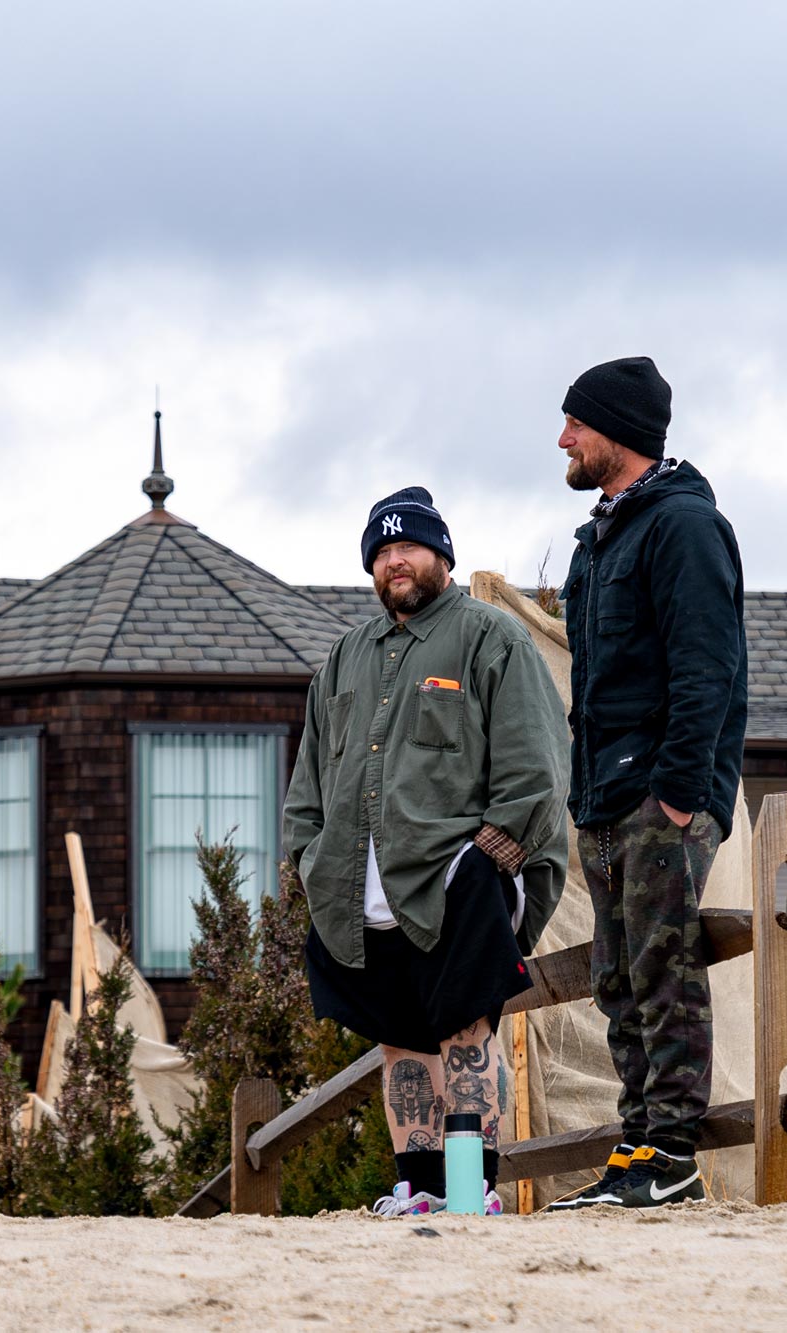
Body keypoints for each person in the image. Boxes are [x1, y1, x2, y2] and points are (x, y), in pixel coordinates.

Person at [283, 486, 570, 1217]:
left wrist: (491, 855)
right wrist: (309, 858)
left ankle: (471, 1188)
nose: (394, 561)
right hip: (362, 891)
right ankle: (421, 1188)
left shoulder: (487, 636)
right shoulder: (346, 656)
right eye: (380, 552)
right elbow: (310, 776)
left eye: (407, 546)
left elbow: (536, 760)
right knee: (400, 1042)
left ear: (443, 554)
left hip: (459, 876)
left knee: (466, 1029)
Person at [548, 356, 749, 1209]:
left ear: (617, 432)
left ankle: (674, 1152)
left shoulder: (684, 528)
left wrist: (677, 794)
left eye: (576, 425)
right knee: (617, 978)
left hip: (660, 799)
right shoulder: (600, 539)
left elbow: (707, 670)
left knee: (666, 971)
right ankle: (637, 1152)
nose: (563, 439)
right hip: (600, 798)